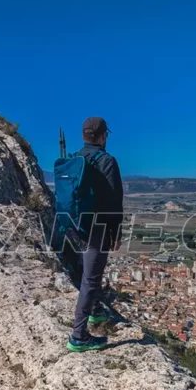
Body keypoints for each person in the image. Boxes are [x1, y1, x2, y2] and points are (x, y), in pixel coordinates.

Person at [67, 117, 123, 352]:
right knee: (90, 278)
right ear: (103, 136)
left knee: (87, 273)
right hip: (95, 228)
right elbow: (114, 201)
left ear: (83, 136)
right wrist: (116, 233)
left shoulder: (74, 159)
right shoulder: (106, 161)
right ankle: (78, 336)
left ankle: (95, 310)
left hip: (72, 226)